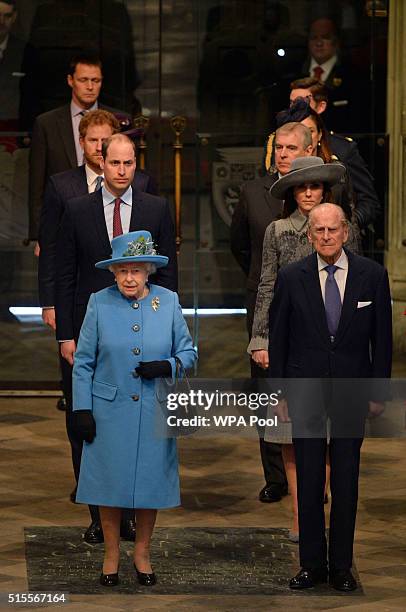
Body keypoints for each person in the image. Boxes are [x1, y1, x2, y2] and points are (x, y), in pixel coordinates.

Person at [55, 133, 177, 544]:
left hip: (146, 329)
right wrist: (66, 334)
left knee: (139, 425)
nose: (122, 171)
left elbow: (169, 273)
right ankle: (98, 512)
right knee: (89, 421)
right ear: (100, 162)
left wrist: (171, 328)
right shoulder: (76, 210)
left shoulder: (156, 207)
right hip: (93, 329)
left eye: (129, 164)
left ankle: (130, 513)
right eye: (115, 163)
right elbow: (65, 271)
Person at [269, 203, 392, 591]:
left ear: (345, 232)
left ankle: (340, 566)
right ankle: (311, 565)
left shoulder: (372, 276)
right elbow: (279, 339)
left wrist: (377, 391)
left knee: (346, 479)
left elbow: (383, 340)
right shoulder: (291, 277)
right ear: (309, 235)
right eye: (318, 230)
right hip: (304, 390)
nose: (325, 237)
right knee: (307, 481)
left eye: (332, 230)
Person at [72, 229, 197, 586]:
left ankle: (142, 552)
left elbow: (189, 354)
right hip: (108, 411)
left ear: (148, 272)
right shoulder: (99, 302)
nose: (130, 277)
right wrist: (82, 408)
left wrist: (168, 366)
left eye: (137, 270)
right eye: (123, 270)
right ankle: (111, 553)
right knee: (108, 484)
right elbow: (83, 362)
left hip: (155, 407)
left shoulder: (168, 301)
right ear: (113, 272)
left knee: (149, 483)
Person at [247, 156, 359, 541]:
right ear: (292, 192)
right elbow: (266, 285)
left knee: (326, 435)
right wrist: (261, 338)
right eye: (302, 187)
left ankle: (317, 506)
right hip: (289, 343)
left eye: (315, 186)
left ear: (325, 190)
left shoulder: (342, 226)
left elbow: (356, 281)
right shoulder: (277, 231)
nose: (309, 192)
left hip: (331, 343)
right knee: (288, 436)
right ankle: (299, 516)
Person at [230, 122, 313, 504]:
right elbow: (240, 245)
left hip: (313, 310)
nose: (283, 153)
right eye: (278, 147)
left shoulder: (321, 194)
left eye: (291, 147)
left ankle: (312, 470)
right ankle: (276, 476)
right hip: (265, 301)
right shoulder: (252, 191)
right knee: (267, 389)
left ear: (308, 150)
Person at [39, 109, 157, 332]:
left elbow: (154, 244)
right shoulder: (61, 186)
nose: (98, 146)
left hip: (136, 296)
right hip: (80, 297)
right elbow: (50, 248)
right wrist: (49, 302)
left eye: (105, 140)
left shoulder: (141, 183)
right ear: (81, 142)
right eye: (93, 140)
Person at [28, 52, 122, 244]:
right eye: (83, 80)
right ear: (71, 80)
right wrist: (39, 235)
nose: (90, 86)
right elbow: (37, 185)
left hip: (112, 219)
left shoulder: (119, 120)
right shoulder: (47, 123)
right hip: (60, 223)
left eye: (95, 80)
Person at [289, 76, 380, 230]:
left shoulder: (343, 150)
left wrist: (345, 225)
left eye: (303, 102)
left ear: (321, 106)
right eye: (292, 103)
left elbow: (369, 203)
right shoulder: (278, 147)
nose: (295, 109)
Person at [303, 17, 363, 133]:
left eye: (325, 37)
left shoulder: (353, 76)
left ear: (336, 42)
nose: (319, 43)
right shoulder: (292, 73)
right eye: (314, 38)